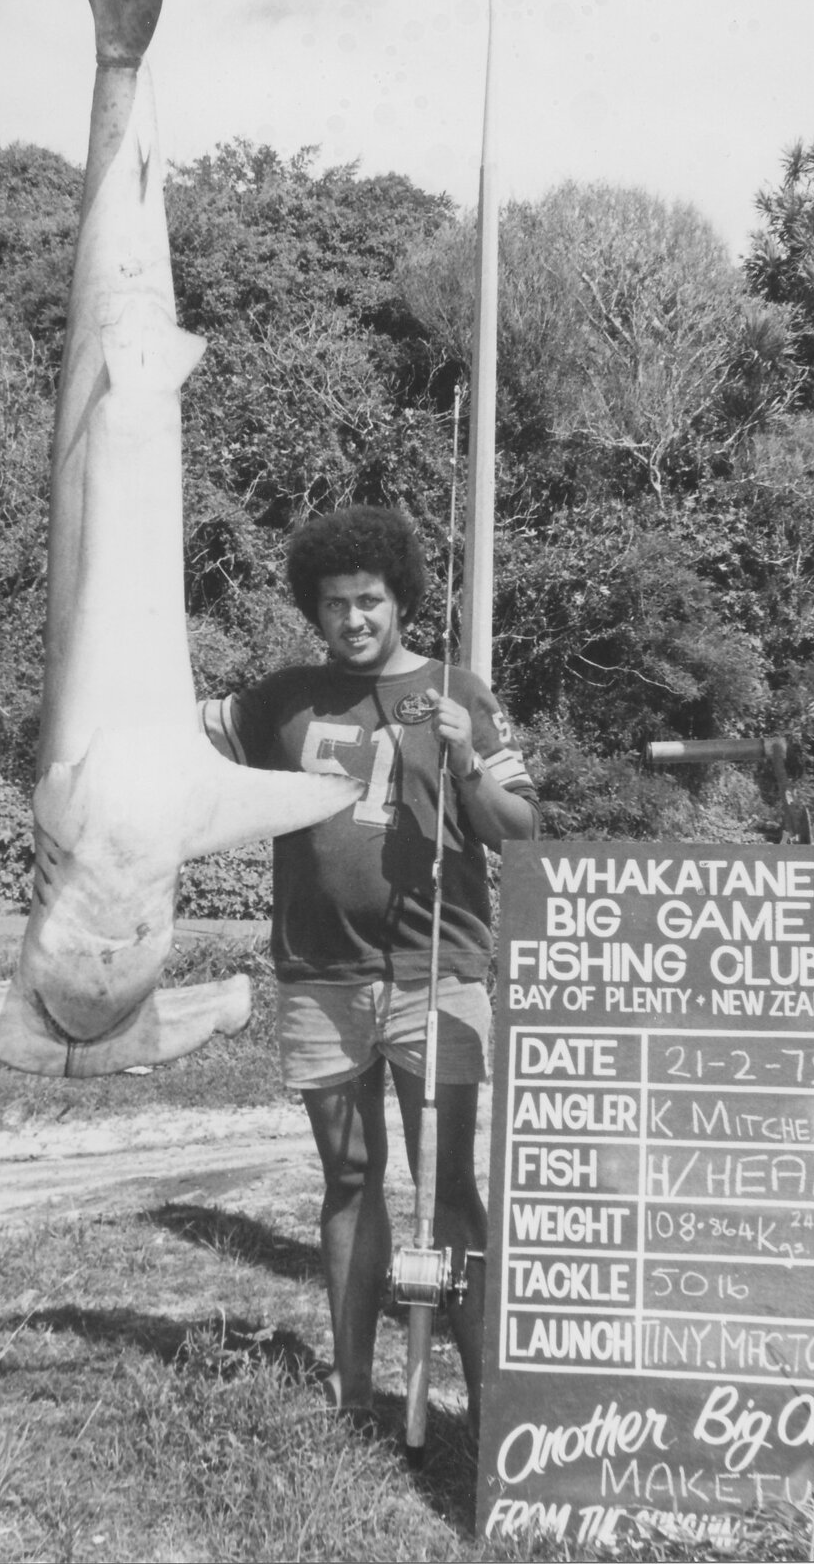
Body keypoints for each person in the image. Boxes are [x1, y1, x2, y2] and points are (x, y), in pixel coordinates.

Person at [199, 505, 539, 1433]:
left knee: (451, 1187)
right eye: (336, 604)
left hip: (440, 969)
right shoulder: (280, 699)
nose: (354, 619)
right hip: (320, 974)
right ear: (314, 610)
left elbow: (520, 825)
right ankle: (354, 1397)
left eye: (371, 601)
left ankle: (483, 1401)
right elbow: (173, 732)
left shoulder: (456, 687)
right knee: (348, 1176)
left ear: (402, 600)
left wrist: (466, 755)